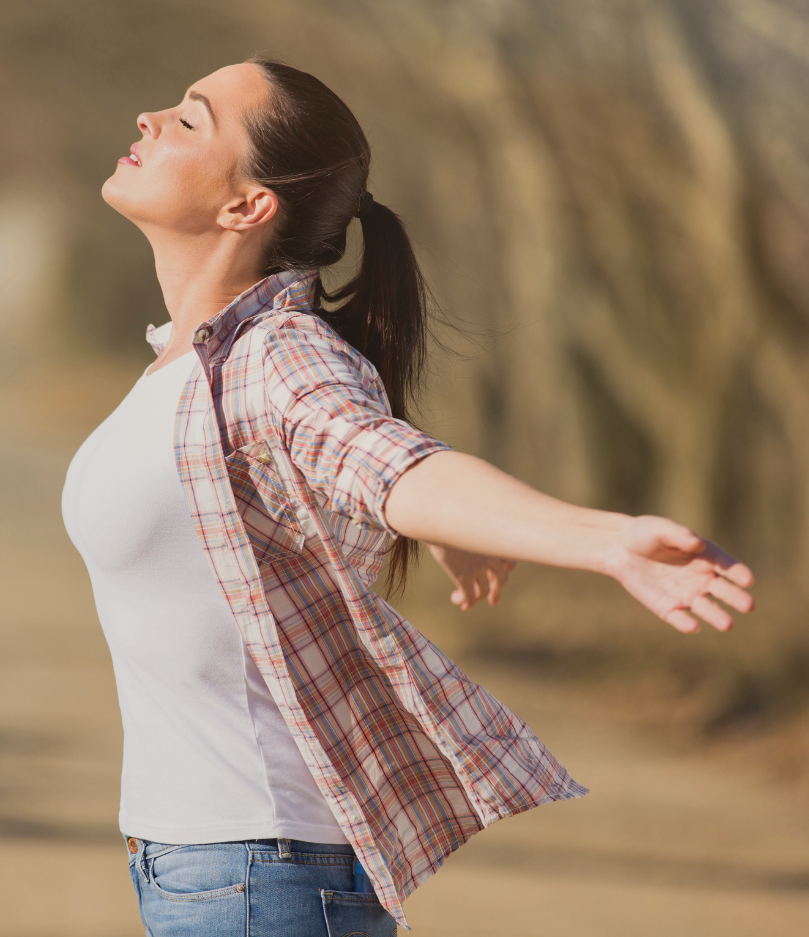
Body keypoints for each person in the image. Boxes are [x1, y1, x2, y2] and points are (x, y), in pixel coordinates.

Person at [59, 59, 755, 936]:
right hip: (213, 868)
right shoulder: (194, 360)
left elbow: (392, 465)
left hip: (255, 878)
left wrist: (599, 539)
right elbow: (349, 463)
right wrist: (425, 514)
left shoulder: (275, 354)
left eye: (193, 120)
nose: (151, 114)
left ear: (247, 206)